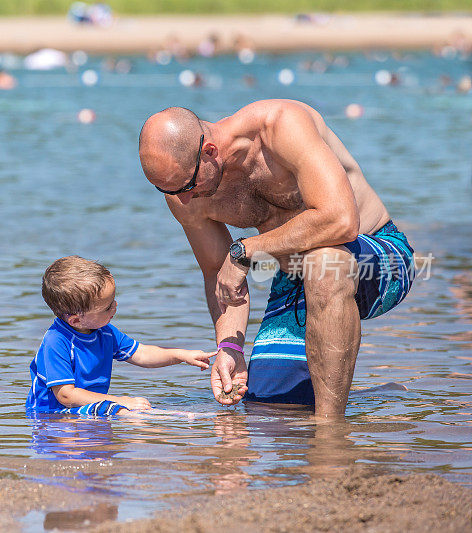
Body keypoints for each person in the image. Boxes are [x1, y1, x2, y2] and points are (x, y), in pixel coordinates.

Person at [138, 101, 414, 418]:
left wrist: (246, 250)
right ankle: (380, 398)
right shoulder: (181, 193)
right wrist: (229, 347)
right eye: (166, 189)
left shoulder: (280, 126)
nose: (182, 198)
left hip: (379, 256)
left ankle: (331, 440)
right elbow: (219, 271)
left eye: (187, 185)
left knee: (324, 261)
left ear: (210, 151)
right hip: (296, 273)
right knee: (271, 406)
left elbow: (341, 220)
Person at [26, 255, 211, 416]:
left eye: (113, 299)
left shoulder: (105, 332)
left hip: (86, 409)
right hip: (52, 416)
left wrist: (180, 355)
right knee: (120, 410)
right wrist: (120, 401)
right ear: (76, 321)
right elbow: (66, 395)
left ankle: (165, 422)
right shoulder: (56, 341)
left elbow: (142, 354)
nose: (115, 306)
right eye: (107, 307)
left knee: (118, 412)